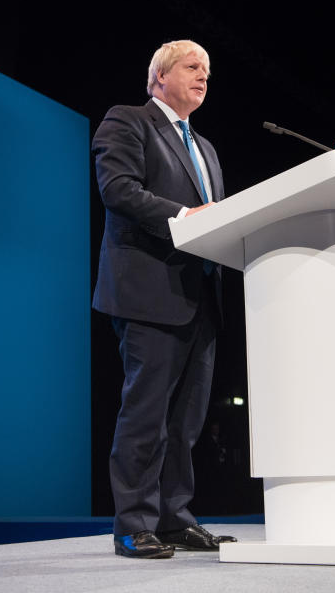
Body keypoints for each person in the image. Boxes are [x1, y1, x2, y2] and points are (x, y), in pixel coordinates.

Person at [92, 40, 232, 559]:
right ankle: (132, 523)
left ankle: (174, 518)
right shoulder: (128, 121)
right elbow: (119, 189)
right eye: (193, 67)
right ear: (159, 78)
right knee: (145, 414)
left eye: (208, 71)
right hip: (148, 292)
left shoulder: (208, 149)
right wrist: (184, 218)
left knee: (186, 422)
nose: (204, 76)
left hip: (202, 298)